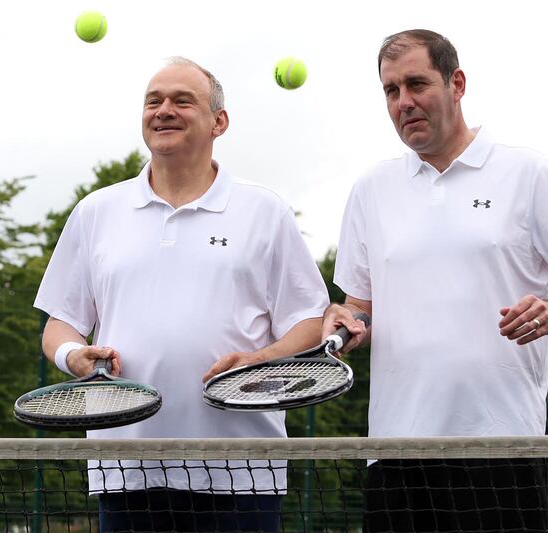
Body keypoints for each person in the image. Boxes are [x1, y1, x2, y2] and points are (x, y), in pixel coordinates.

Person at [322, 29, 548, 532]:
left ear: (457, 83)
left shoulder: (527, 172)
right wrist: (344, 320)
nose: (404, 102)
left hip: (501, 448)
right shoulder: (371, 189)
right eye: (391, 91)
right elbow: (360, 310)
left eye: (417, 84)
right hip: (394, 453)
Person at [34, 57, 329, 533]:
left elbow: (310, 320)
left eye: (181, 100)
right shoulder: (96, 211)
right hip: (126, 470)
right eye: (154, 100)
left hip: (242, 471)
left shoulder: (264, 210)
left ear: (219, 122)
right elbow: (59, 324)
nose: (163, 110)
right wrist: (74, 355)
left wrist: (262, 358)